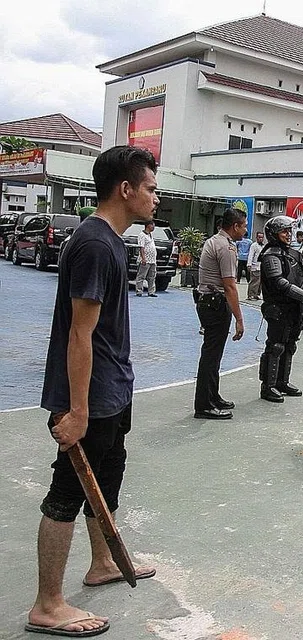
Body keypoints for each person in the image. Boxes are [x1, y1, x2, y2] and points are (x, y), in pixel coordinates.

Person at [27, 146, 159, 638]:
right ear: (125, 189)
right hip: (91, 394)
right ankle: (48, 604)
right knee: (67, 490)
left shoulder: (112, 242)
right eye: (150, 188)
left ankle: (102, 561)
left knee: (108, 473)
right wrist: (78, 410)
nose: (156, 198)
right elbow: (78, 334)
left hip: (112, 388)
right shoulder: (95, 245)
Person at [257, 216, 303, 403]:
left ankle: (282, 382)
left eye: (289, 231)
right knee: (276, 346)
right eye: (284, 231)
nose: (288, 234)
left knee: (290, 345)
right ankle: (269, 386)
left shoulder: (293, 253)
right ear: (274, 234)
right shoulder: (271, 256)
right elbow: (279, 282)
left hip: (294, 308)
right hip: (279, 307)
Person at [193, 208, 247, 420]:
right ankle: (204, 405)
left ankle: (212, 396)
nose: (245, 230)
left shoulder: (214, 241)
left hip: (207, 302)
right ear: (235, 226)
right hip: (215, 304)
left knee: (213, 354)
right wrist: (239, 319)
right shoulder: (226, 247)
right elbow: (230, 286)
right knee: (211, 355)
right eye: (243, 226)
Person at [135, 220, 158, 297]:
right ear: (148, 225)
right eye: (152, 225)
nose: (153, 227)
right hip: (146, 259)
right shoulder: (142, 235)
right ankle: (139, 290)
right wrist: (143, 258)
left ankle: (151, 291)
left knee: (152, 276)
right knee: (141, 275)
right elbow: (141, 247)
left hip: (152, 260)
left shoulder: (150, 235)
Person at [246, 231, 264, 300]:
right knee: (254, 281)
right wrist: (249, 264)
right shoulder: (254, 245)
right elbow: (250, 255)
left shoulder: (263, 246)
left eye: (262, 237)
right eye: (259, 237)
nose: (261, 239)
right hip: (254, 266)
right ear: (256, 237)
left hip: (261, 266)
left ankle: (257, 294)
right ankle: (251, 295)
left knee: (260, 282)